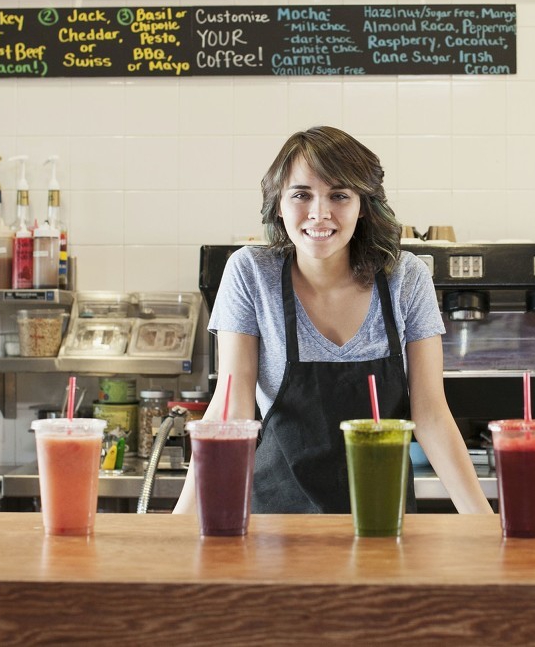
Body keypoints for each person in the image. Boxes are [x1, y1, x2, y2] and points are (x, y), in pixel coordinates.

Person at [174, 126, 492, 516]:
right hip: (277, 528)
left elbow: (431, 415)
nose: (319, 213)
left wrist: (484, 527)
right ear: (278, 204)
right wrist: (180, 526)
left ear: (363, 205)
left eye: (339, 195)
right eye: (301, 195)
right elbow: (230, 409)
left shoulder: (405, 277)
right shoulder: (251, 273)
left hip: (383, 518)